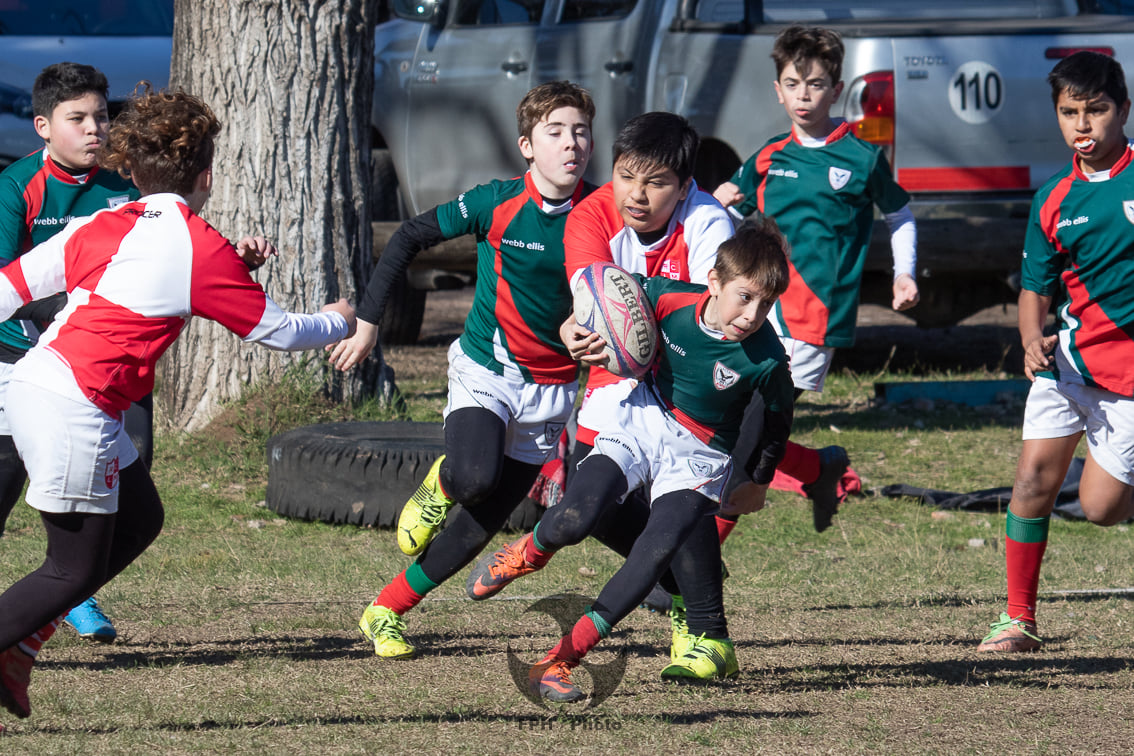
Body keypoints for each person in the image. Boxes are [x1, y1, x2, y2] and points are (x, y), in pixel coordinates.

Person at [0, 86, 355, 722]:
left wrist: (230, 266)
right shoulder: (196, 243)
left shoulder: (109, 223)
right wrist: (339, 321)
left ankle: (19, 646)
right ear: (206, 175)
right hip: (74, 405)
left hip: (38, 385)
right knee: (69, 572)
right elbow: (278, 332)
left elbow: (10, 286)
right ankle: (14, 641)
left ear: (135, 170)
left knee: (140, 519)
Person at [468, 218, 794, 699]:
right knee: (575, 518)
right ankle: (526, 552)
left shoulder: (767, 359)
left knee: (653, 554)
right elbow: (600, 293)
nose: (752, 314)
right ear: (714, 282)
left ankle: (560, 661)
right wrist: (573, 326)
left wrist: (758, 481)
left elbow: (777, 424)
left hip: (700, 456)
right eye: (744, 297)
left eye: (766, 304)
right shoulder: (667, 298)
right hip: (641, 417)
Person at [326, 81, 596, 659]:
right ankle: (442, 482)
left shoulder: (602, 215)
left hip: (552, 390)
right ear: (527, 146)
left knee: (481, 524)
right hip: (486, 370)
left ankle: (384, 611)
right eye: (554, 132)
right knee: (473, 478)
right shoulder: (496, 202)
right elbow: (407, 237)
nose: (571, 143)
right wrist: (368, 323)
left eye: (580, 132)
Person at [713, 25, 920, 532]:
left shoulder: (861, 157)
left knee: (747, 440)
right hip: (758, 312)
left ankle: (695, 560)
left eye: (816, 84)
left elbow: (900, 214)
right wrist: (714, 212)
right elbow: (723, 208)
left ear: (836, 89)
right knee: (738, 430)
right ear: (777, 90)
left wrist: (904, 273)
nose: (803, 95)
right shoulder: (769, 155)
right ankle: (819, 468)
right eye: (792, 84)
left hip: (813, 321)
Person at [977, 50, 1134, 653]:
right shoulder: (1053, 199)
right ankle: (1018, 620)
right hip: (1066, 363)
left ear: (1124, 110)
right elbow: (1035, 287)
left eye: (1098, 110)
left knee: (1101, 510)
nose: (1083, 125)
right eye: (1070, 113)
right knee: (1031, 481)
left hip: (1127, 376)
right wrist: (1028, 338)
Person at [0, 62, 140, 643]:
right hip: (16, 362)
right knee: (5, 484)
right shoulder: (16, 186)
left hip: (97, 366)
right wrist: (66, 309)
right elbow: (5, 282)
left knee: (121, 489)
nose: (94, 129)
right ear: (42, 126)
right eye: (77, 118)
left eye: (101, 117)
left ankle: (74, 592)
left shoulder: (124, 187)